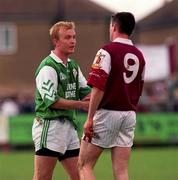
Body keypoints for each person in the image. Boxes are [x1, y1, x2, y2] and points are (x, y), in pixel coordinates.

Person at [78, 12, 145, 180]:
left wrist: (90, 118)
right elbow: (139, 87)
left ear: (114, 27)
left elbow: (98, 87)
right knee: (121, 172)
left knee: (84, 165)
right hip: (129, 114)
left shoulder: (106, 51)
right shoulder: (140, 55)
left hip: (108, 112)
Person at [32, 21, 91, 180]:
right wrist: (81, 105)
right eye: (67, 37)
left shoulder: (73, 66)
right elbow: (52, 101)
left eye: (74, 37)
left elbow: (87, 93)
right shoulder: (48, 67)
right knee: (43, 177)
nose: (73, 41)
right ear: (56, 41)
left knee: (79, 175)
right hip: (50, 126)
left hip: (69, 127)